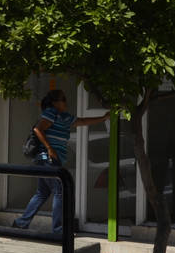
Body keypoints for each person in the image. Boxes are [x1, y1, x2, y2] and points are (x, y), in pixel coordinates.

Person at [12, 89, 109, 234]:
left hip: (50, 160)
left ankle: (21, 223)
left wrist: (103, 118)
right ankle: (58, 230)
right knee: (60, 191)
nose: (65, 102)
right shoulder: (51, 113)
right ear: (55, 103)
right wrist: (50, 148)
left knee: (42, 193)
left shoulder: (65, 117)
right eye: (63, 99)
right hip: (47, 159)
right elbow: (38, 129)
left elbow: (82, 121)